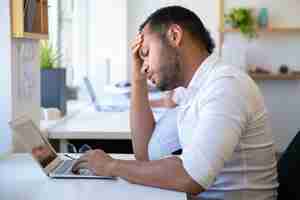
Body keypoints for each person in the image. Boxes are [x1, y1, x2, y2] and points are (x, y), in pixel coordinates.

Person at [72, 6, 278, 199]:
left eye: (146, 54)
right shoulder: (191, 91)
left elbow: (190, 177)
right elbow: (145, 154)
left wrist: (111, 166)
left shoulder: (226, 86)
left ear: (174, 36)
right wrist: (137, 79)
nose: (144, 66)